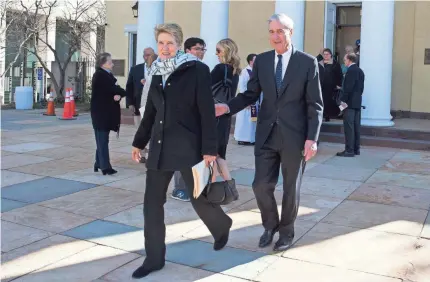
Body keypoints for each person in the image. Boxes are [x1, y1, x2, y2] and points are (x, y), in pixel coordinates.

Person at [131, 23, 232, 278]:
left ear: (179, 44)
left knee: (199, 198)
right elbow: (151, 112)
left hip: (190, 145)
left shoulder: (196, 69)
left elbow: (206, 111)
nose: (164, 48)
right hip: (160, 146)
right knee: (151, 204)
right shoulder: (156, 71)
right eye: (161, 43)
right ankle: (154, 258)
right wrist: (138, 142)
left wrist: (210, 149)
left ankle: (222, 226)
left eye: (170, 43)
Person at [215, 13, 323, 252]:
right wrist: (227, 107)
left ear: (290, 33)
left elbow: (315, 104)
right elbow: (250, 94)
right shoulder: (262, 61)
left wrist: (311, 139)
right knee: (260, 185)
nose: (275, 36)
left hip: (295, 138)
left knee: (290, 188)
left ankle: (286, 233)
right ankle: (270, 224)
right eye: (272, 32)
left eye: (280, 31)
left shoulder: (306, 62)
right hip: (266, 134)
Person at [171, 37, 207, 202]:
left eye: (202, 49)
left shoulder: (202, 69)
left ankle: (194, 186)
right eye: (196, 48)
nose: (200, 52)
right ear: (187, 51)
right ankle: (179, 189)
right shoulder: (178, 68)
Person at [91, 52, 126, 175]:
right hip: (101, 114)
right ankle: (105, 167)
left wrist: (118, 95)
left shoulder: (107, 75)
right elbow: (115, 89)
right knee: (102, 140)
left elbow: (117, 90)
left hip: (104, 113)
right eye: (110, 62)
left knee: (102, 140)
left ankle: (98, 163)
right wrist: (118, 93)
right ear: (104, 64)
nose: (112, 63)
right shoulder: (101, 76)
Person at [212, 38, 240, 159]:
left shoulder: (220, 68)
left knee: (212, 152)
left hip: (215, 111)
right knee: (220, 152)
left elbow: (204, 87)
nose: (216, 54)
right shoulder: (235, 71)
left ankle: (211, 178)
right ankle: (226, 178)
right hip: (226, 112)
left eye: (218, 50)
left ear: (226, 51)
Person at [336, 53, 365, 157]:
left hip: (349, 104)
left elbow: (348, 88)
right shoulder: (360, 71)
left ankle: (349, 150)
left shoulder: (351, 71)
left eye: (344, 60)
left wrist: (342, 101)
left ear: (349, 60)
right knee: (356, 127)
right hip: (357, 102)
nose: (344, 62)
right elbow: (360, 89)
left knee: (349, 128)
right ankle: (356, 149)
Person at [126, 47, 156, 127]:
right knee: (140, 130)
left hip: (155, 105)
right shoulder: (135, 69)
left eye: (151, 55)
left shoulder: (160, 68)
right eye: (147, 55)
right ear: (144, 56)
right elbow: (129, 87)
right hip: (139, 104)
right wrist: (130, 103)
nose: (149, 57)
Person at [234, 53, 258, 145]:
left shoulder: (257, 71)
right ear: (251, 61)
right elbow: (242, 86)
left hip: (255, 99)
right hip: (246, 99)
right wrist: (246, 100)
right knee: (244, 120)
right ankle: (242, 138)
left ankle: (251, 138)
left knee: (253, 120)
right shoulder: (245, 72)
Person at [319, 48, 342, 121]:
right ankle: (323, 114)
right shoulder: (320, 63)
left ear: (331, 55)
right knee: (321, 100)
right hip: (321, 85)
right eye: (324, 54)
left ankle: (328, 115)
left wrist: (339, 84)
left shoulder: (335, 64)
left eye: (327, 54)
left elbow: (339, 75)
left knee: (329, 101)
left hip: (331, 86)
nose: (325, 56)